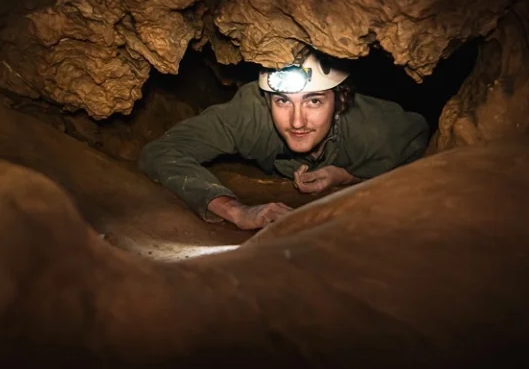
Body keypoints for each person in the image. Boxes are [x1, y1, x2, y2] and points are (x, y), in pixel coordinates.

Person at [138, 47, 430, 231]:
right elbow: (162, 152)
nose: (297, 121)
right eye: (282, 101)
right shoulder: (250, 115)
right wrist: (236, 211)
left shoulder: (375, 128)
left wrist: (345, 175)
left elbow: (426, 151)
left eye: (313, 101)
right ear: (268, 100)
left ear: (340, 101)